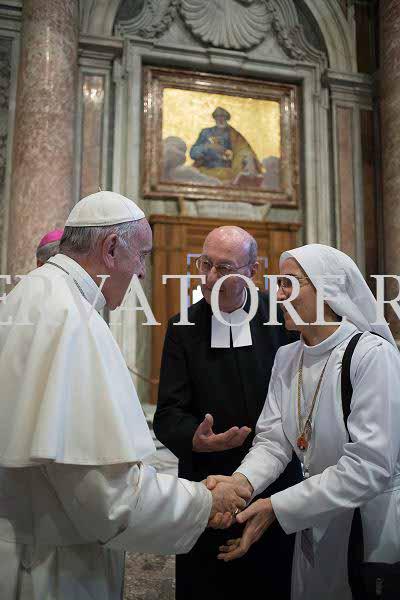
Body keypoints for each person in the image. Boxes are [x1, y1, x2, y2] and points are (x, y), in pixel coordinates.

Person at [0, 191, 250, 600]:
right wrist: (204, 502)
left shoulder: (31, 294)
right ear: (112, 248)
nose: (143, 273)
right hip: (54, 565)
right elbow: (107, 499)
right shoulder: (72, 320)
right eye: (142, 256)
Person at [208, 243, 400, 600]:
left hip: (367, 525)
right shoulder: (287, 356)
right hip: (312, 516)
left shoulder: (372, 356)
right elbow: (273, 441)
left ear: (327, 290)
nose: (279, 295)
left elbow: (370, 467)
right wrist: (240, 483)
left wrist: (278, 507)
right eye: (278, 284)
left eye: (290, 284)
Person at [153, 226, 302, 600]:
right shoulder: (182, 327)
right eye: (205, 264)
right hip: (207, 487)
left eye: (224, 268)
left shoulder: (283, 321)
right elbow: (168, 415)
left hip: (274, 484)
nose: (209, 278)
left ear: (252, 271)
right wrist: (195, 438)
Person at [190, 107, 262, 183]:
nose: (220, 119)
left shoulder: (234, 134)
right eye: (218, 116)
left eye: (223, 116)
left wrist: (249, 159)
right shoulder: (206, 132)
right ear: (214, 118)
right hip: (206, 171)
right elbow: (193, 153)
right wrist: (208, 147)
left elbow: (243, 148)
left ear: (227, 118)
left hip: (227, 172)